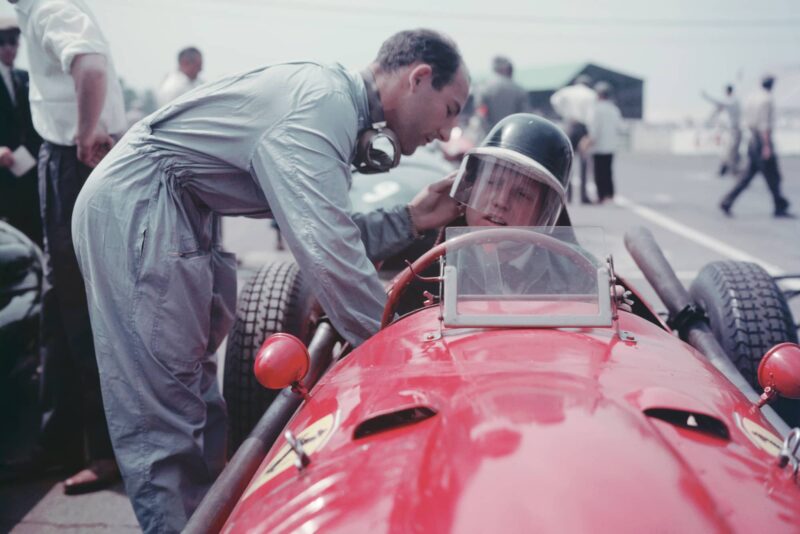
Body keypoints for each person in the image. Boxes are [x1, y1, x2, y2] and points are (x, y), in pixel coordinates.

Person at [71, 28, 469, 532]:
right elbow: (330, 258)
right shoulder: (322, 104)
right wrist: (412, 357)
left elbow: (327, 234)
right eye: (451, 110)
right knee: (165, 422)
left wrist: (411, 218)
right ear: (419, 78)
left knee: (198, 408)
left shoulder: (336, 105)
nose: (446, 132)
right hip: (141, 206)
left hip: (180, 210)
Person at [7, 0, 124, 494]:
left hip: (71, 159)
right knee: (59, 311)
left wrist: (81, 137)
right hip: (61, 157)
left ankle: (105, 450)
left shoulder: (49, 5)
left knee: (82, 313)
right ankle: (59, 443)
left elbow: (90, 65)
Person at [720, 75, 792, 218]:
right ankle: (779, 204)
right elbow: (764, 125)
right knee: (773, 176)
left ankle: (728, 201)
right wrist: (766, 146)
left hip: (753, 140)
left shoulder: (752, 98)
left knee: (749, 175)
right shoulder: (767, 99)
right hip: (762, 141)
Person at [0, 15, 41, 247]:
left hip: (27, 172)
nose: (8, 48)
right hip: (2, 176)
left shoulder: (26, 78)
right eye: (1, 42)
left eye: (13, 41)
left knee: (32, 236)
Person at [550, 74, 596, 204]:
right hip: (582, 127)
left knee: (568, 162)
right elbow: (591, 116)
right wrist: (590, 135)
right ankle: (583, 197)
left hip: (569, 125)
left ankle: (566, 195)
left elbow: (554, 100)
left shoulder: (567, 91)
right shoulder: (591, 94)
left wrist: (563, 112)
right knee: (584, 161)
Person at [584, 81, 623, 204]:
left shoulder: (597, 109)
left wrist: (588, 142)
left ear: (599, 94)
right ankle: (610, 194)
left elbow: (594, 129)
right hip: (611, 145)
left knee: (598, 172)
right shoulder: (614, 109)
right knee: (608, 171)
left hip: (599, 146)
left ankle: (601, 196)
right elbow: (620, 127)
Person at [476, 55, 529, 130]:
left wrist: (490, 132)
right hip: (513, 133)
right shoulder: (518, 89)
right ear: (506, 69)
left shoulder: (484, 88)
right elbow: (524, 115)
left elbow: (481, 114)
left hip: (490, 134)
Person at [702, 84, 741, 177]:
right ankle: (728, 169)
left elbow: (719, 102)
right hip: (731, 131)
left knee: (730, 151)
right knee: (730, 151)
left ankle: (728, 169)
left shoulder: (732, 101)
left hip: (735, 130)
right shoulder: (732, 101)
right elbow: (719, 107)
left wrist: (706, 96)